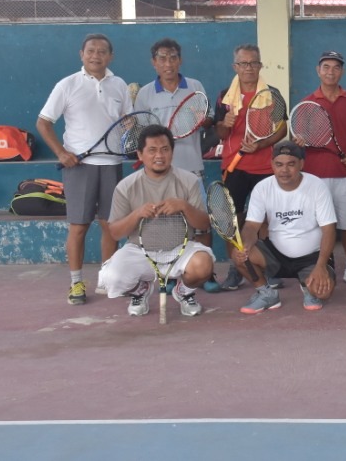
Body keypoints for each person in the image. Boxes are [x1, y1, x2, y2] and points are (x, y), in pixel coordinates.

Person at [37, 33, 132, 306]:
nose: (96, 55)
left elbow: (127, 122)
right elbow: (43, 123)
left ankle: (108, 278)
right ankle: (76, 282)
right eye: (91, 50)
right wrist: (62, 153)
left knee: (110, 226)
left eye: (102, 51)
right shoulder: (67, 85)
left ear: (110, 56)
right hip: (79, 167)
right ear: (82, 54)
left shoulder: (120, 85)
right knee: (78, 226)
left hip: (112, 164)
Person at [98, 125, 214, 318]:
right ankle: (140, 290)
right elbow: (115, 233)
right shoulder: (125, 187)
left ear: (172, 152)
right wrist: (137, 214)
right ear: (140, 154)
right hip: (139, 250)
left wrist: (184, 206)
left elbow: (204, 224)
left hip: (180, 248)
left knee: (203, 265)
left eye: (165, 149)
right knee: (111, 278)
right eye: (152, 150)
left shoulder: (189, 180)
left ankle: (183, 292)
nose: (159, 155)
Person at [211, 44, 288, 292]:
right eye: (243, 64)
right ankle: (236, 269)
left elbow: (282, 129)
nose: (249, 68)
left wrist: (262, 144)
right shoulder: (225, 95)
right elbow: (219, 133)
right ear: (235, 67)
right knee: (232, 221)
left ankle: (269, 269)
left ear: (260, 65)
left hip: (265, 168)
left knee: (266, 221)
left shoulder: (272, 95)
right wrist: (225, 123)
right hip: (234, 167)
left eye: (253, 63)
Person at [232, 141, 338, 314]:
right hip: (276, 254)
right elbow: (251, 226)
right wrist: (247, 244)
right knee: (240, 257)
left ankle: (307, 285)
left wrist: (321, 266)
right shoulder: (262, 188)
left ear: (301, 164)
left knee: (323, 292)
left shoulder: (317, 186)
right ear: (272, 164)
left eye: (291, 164)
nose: (284, 170)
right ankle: (266, 293)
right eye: (279, 164)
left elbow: (329, 230)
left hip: (311, 256)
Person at [133, 38, 213, 262]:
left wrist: (201, 121)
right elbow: (141, 133)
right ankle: (169, 269)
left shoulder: (195, 86)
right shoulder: (145, 94)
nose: (168, 63)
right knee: (163, 225)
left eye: (173, 57)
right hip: (159, 174)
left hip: (192, 168)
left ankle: (206, 273)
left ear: (180, 60)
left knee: (201, 225)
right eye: (162, 58)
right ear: (154, 62)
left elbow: (209, 119)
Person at [297, 50, 346, 285]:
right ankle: (321, 267)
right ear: (318, 71)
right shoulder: (307, 103)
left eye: (336, 67)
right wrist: (299, 140)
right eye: (326, 67)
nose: (331, 71)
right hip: (315, 177)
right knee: (318, 226)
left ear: (342, 72)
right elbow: (300, 136)